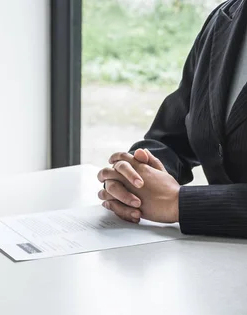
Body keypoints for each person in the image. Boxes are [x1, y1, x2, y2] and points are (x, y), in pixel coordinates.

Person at [98, 0, 247, 239]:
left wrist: (179, 203)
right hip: (213, 262)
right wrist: (136, 178)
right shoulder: (224, 18)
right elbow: (172, 138)